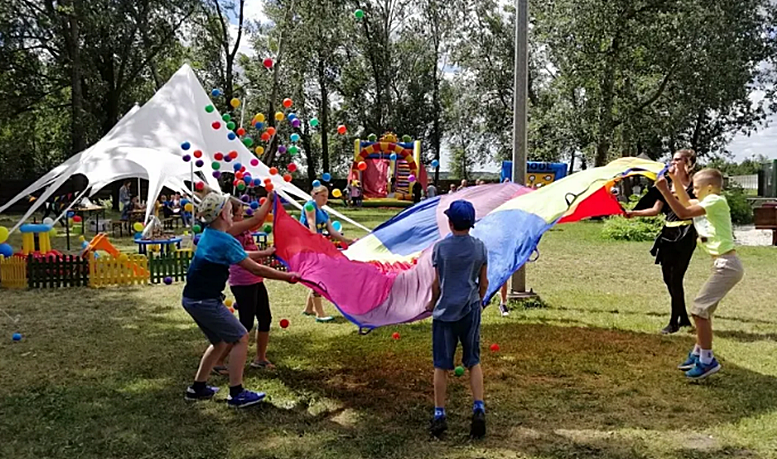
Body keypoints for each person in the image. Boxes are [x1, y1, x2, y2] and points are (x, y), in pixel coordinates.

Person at [181, 188, 299, 407]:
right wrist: (287, 277)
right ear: (222, 215)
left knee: (220, 341)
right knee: (240, 337)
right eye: (229, 208)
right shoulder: (225, 241)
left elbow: (242, 255)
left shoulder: (212, 235)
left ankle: (197, 388)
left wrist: (264, 254)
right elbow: (256, 270)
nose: (234, 212)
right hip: (204, 301)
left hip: (193, 299)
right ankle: (237, 393)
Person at [655, 167, 744, 380]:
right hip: (723, 264)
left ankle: (707, 360)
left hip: (727, 266)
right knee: (704, 312)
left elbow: (683, 212)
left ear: (710, 187)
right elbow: (686, 204)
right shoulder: (709, 201)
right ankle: (698, 353)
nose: (693, 191)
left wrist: (665, 191)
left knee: (699, 310)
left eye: (696, 187)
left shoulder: (715, 200)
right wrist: (675, 179)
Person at [425, 200, 488, 438]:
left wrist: (432, 303)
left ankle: (440, 413)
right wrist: (479, 300)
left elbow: (437, 284)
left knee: (441, 366)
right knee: (473, 360)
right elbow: (484, 282)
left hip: (444, 314)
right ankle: (478, 408)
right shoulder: (480, 247)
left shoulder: (440, 248)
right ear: (471, 224)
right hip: (470, 310)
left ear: (450, 223)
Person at [626, 149, 697, 334]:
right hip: (667, 234)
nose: (673, 162)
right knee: (668, 278)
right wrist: (634, 213)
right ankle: (683, 318)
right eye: (672, 159)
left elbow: (689, 205)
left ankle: (674, 322)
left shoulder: (695, 184)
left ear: (688, 162)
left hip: (686, 232)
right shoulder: (664, 183)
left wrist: (672, 185)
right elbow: (656, 209)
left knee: (676, 278)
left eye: (678, 159)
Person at [212, 196, 277, 375]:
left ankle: (260, 358)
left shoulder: (241, 227)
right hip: (242, 281)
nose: (241, 218)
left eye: (242, 215)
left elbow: (257, 221)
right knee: (245, 324)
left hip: (255, 279)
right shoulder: (231, 229)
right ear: (227, 216)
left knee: (265, 318)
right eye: (238, 215)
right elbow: (243, 252)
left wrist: (271, 204)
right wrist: (269, 199)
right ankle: (218, 361)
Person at [300, 185, 354, 322]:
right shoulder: (309, 206)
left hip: (317, 245)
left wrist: (347, 241)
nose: (325, 199)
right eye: (322, 196)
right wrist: (316, 241)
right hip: (309, 247)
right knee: (319, 277)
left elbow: (332, 232)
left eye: (326, 196)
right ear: (314, 195)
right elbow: (311, 224)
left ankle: (309, 309)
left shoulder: (324, 213)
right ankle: (320, 314)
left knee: (317, 276)